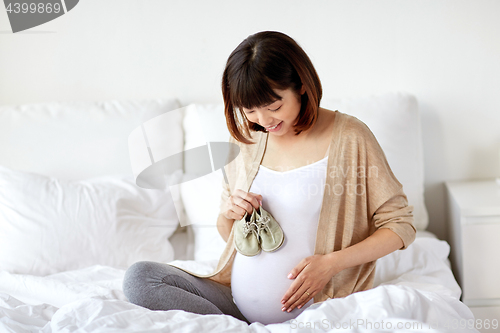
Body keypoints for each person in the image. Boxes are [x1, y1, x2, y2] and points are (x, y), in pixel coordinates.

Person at [122, 31, 417, 325]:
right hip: (237, 307)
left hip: (318, 309)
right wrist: (231, 215)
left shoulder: (351, 137)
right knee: (140, 279)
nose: (264, 121)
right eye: (250, 110)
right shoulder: (247, 140)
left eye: (274, 107)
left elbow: (400, 224)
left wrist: (330, 265)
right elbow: (230, 235)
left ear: (302, 85)